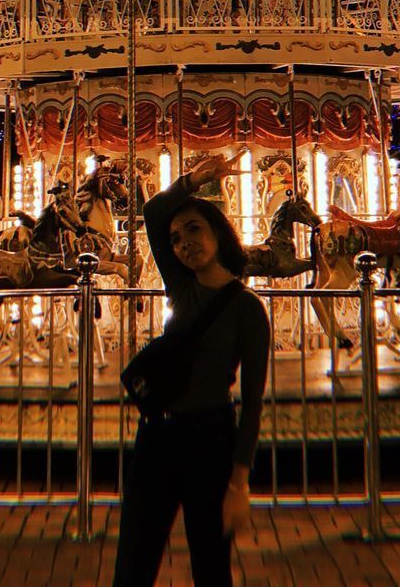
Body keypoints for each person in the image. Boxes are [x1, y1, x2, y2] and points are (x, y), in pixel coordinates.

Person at [112, 153, 271, 587]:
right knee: (134, 560)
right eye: (177, 238)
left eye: (194, 230)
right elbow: (152, 212)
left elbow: (253, 400)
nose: (183, 244)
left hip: (210, 438)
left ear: (219, 232)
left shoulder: (248, 310)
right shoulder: (180, 287)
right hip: (157, 435)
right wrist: (192, 180)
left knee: (210, 564)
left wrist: (240, 482)